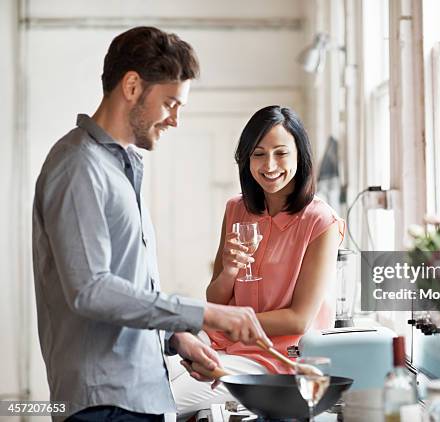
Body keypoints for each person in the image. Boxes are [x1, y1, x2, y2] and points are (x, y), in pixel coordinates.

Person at [32, 26, 270, 422]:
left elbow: (129, 290)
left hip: (138, 395)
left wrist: (175, 338)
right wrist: (206, 313)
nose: (175, 120)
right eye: (170, 103)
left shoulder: (123, 165)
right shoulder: (79, 167)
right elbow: (91, 291)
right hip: (104, 404)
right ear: (131, 86)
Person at [169, 105, 344, 417]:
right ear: (246, 159)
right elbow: (216, 297)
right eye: (258, 154)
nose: (270, 165)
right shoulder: (237, 209)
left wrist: (231, 322)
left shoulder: (321, 221)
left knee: (159, 400)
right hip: (219, 341)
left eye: (281, 153)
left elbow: (299, 320)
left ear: (300, 156)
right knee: (143, 374)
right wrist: (230, 269)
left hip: (273, 357)